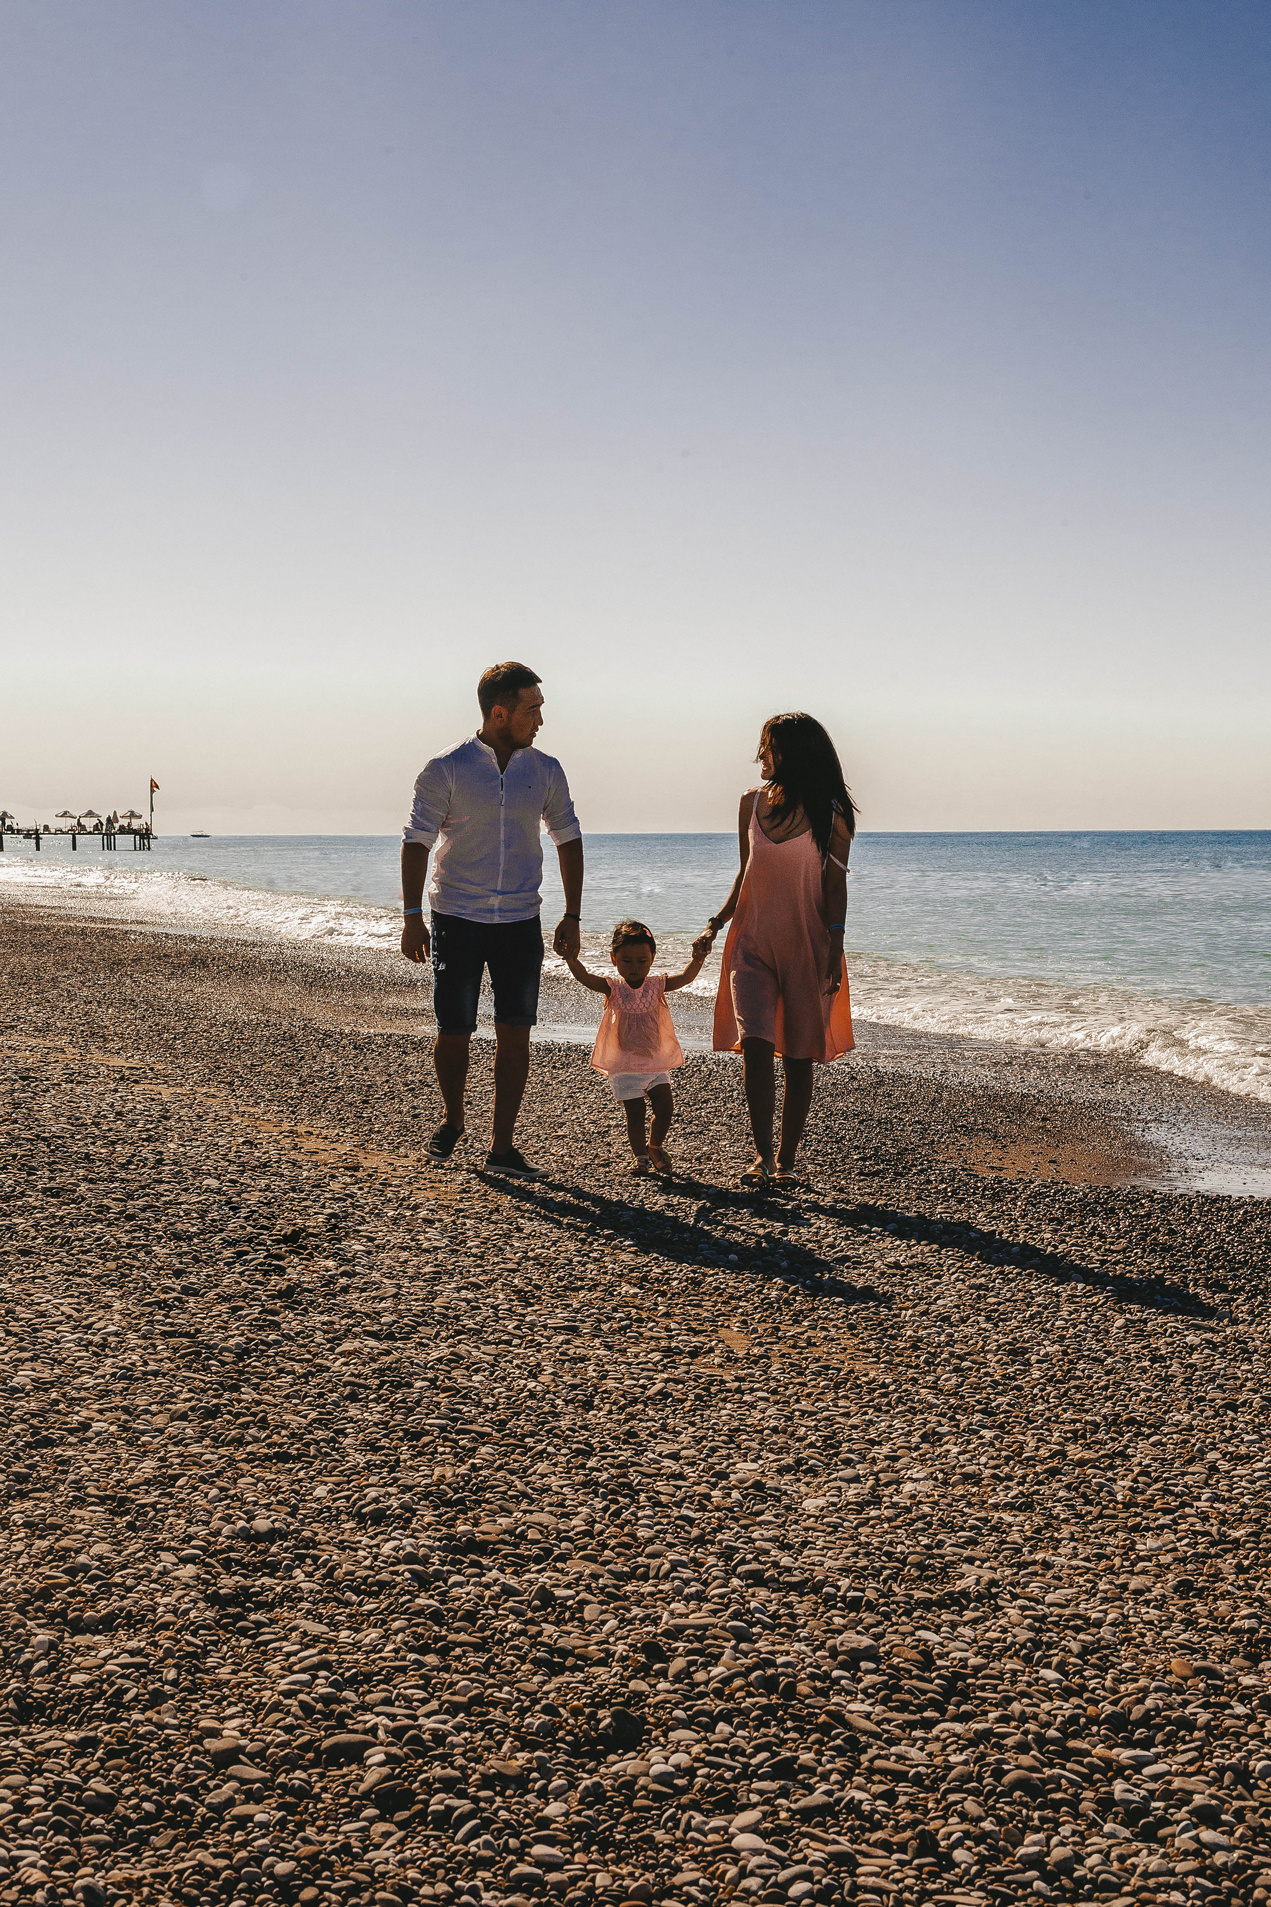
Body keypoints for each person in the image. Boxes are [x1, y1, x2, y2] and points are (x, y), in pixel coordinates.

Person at [401, 661, 583, 1178]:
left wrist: (571, 913)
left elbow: (568, 836)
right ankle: (453, 1119)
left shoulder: (546, 769)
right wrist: (413, 916)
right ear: (499, 713)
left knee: (516, 1032)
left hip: (520, 920)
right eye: (533, 710)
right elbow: (417, 840)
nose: (541, 720)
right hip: (456, 916)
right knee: (454, 1029)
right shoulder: (447, 768)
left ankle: (502, 1145)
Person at [701, 712, 856, 1184]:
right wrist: (716, 922)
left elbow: (834, 884)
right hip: (751, 943)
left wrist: (835, 945)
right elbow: (745, 872)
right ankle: (763, 1156)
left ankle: (787, 1161)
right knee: (755, 1044)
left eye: (767, 745)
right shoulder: (750, 803)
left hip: (808, 944)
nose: (759, 754)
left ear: (790, 752)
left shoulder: (831, 812)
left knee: (798, 1055)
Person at [564, 919, 710, 1175]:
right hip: (625, 1066)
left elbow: (685, 978)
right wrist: (571, 960)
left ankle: (654, 1145)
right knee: (635, 1113)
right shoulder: (614, 988)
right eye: (626, 961)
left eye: (642, 961)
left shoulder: (656, 986)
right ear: (613, 958)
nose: (634, 967)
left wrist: (697, 959)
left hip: (655, 1062)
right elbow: (586, 979)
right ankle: (640, 1156)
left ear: (652, 957)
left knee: (665, 1109)